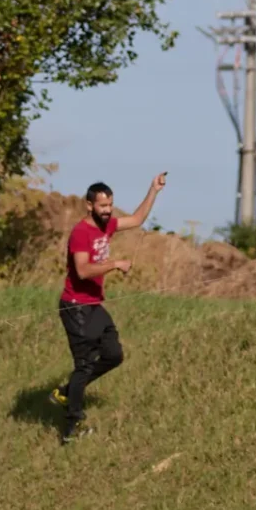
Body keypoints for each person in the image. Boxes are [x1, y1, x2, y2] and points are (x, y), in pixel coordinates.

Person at [53, 173, 166, 443]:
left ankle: (67, 392)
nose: (108, 210)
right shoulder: (81, 233)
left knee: (114, 355)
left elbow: (137, 219)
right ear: (89, 205)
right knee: (83, 365)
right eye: (103, 206)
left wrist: (153, 189)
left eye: (110, 205)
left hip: (94, 306)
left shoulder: (108, 225)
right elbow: (82, 271)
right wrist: (114, 264)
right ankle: (71, 429)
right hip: (76, 307)